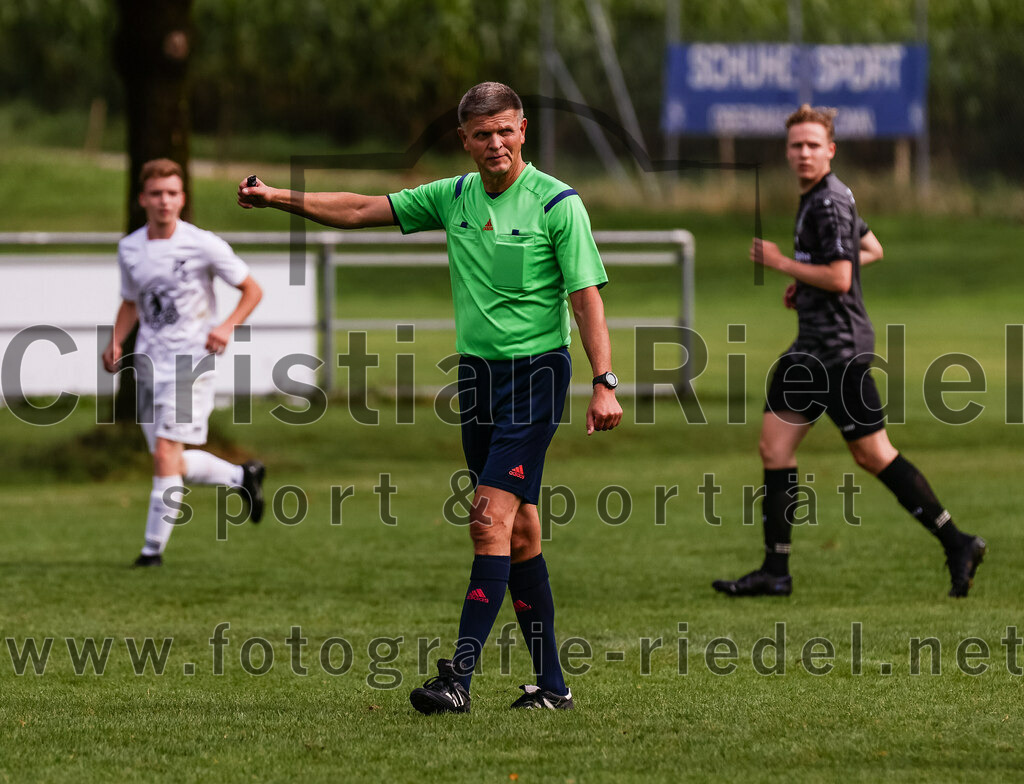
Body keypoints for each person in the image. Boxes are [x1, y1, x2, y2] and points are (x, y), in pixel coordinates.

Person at [238, 82, 622, 712]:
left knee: (487, 521)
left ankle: (459, 680)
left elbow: (586, 298)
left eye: (504, 131)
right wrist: (278, 196)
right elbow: (362, 210)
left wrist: (604, 382)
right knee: (520, 530)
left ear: (523, 130)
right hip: (477, 380)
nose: (494, 144)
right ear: (465, 140)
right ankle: (553, 687)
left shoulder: (558, 203)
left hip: (536, 376)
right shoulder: (455, 196)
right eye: (481, 134)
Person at [712, 105, 985, 599]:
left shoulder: (829, 202)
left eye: (813, 145)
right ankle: (776, 571)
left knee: (872, 454)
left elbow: (841, 276)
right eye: (796, 145)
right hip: (811, 347)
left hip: (837, 351)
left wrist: (783, 265)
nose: (803, 153)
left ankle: (957, 541)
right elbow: (871, 250)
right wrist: (807, 284)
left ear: (830, 150)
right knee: (775, 447)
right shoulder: (822, 196)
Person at [103, 158, 266, 567]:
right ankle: (240, 476)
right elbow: (131, 302)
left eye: (172, 193)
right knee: (169, 460)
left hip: (191, 360)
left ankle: (150, 553)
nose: (164, 201)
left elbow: (252, 289)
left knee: (164, 453)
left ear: (182, 198)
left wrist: (227, 326)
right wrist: (115, 340)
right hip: (148, 363)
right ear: (142, 199)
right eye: (156, 194)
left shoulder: (202, 243)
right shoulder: (130, 248)